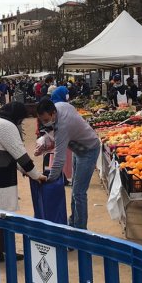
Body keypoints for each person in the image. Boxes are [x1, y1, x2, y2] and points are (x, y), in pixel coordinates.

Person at [36, 99, 101, 230]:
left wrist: (50, 179)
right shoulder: (60, 106)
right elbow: (61, 138)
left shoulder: (62, 127)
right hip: (78, 149)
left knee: (79, 193)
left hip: (89, 150)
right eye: (41, 120)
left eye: (46, 119)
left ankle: (80, 231)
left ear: (53, 113)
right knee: (75, 190)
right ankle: (73, 224)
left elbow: (59, 159)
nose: (44, 123)